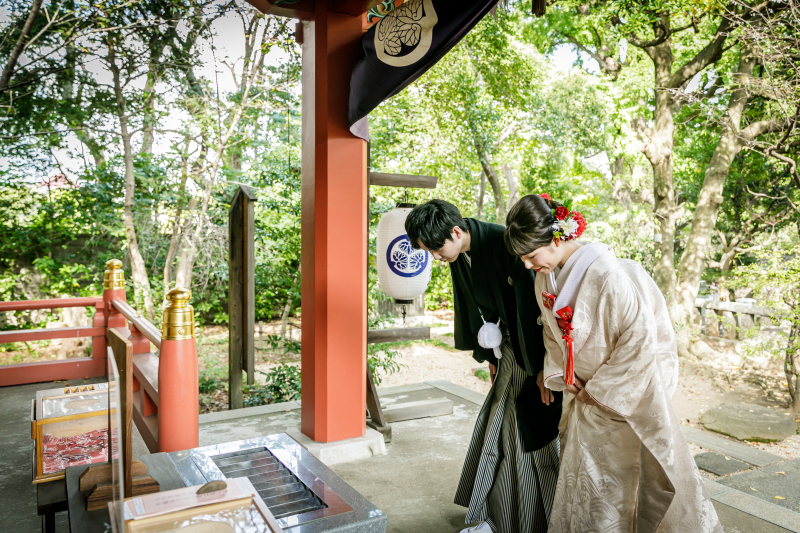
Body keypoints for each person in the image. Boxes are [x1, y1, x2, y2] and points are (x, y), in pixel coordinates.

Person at [504, 193, 722, 533]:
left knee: (628, 481)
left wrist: (601, 389)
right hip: (581, 393)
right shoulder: (546, 279)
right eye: (524, 259)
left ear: (558, 237)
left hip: (620, 397)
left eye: (532, 256)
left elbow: (639, 341)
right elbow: (552, 333)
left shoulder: (608, 273)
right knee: (588, 486)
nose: (529, 266)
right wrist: (561, 373)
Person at [405, 199, 563, 533]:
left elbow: (531, 312)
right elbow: (478, 309)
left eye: (435, 248)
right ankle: (503, 517)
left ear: (456, 231)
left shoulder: (504, 243)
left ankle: (522, 518)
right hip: (509, 350)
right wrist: (490, 357)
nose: (435, 256)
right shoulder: (460, 252)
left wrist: (543, 369)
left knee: (519, 433)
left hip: (531, 352)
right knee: (502, 429)